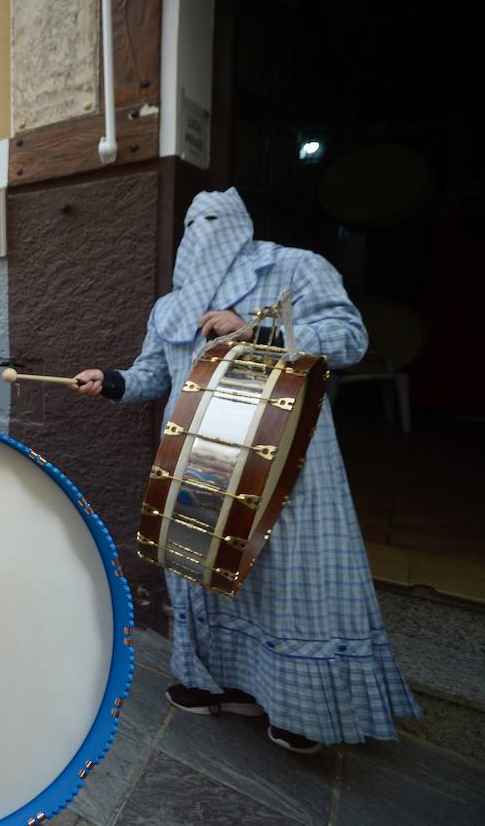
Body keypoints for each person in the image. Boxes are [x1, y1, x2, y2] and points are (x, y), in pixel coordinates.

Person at [72, 187, 420, 753]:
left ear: (241, 224)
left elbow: (350, 339)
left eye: (213, 220)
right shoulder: (173, 304)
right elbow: (153, 375)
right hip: (198, 460)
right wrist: (110, 381)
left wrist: (261, 331)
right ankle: (213, 684)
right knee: (203, 575)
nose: (200, 232)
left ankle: (296, 709)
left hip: (278, 457)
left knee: (281, 577)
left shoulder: (294, 267)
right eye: (192, 222)